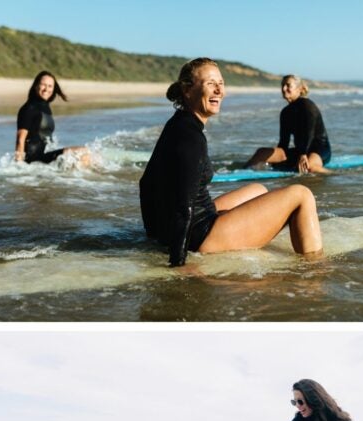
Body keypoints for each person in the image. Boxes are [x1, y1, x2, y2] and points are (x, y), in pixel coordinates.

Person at [139, 58, 324, 267]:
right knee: (302, 195)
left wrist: (154, 235)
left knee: (258, 189)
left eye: (221, 83)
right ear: (187, 90)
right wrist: (178, 262)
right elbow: (183, 207)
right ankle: (314, 271)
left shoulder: (178, 123)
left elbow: (145, 183)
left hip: (194, 224)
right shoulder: (191, 138)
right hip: (202, 236)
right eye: (210, 83)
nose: (219, 90)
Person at [245, 75, 331, 174]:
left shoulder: (308, 106)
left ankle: (335, 175)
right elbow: (283, 143)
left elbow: (309, 133)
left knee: (309, 168)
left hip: (319, 149)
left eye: (288, 85)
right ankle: (243, 171)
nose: (284, 88)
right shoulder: (285, 112)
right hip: (300, 151)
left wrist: (303, 155)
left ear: (299, 89)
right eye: (282, 85)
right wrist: (275, 160)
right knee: (261, 153)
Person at [15, 71, 90, 165]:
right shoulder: (29, 108)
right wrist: (19, 166)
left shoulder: (45, 106)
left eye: (50, 86)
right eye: (43, 85)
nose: (46, 89)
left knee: (89, 156)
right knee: (82, 152)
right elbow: (20, 139)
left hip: (43, 157)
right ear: (36, 86)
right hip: (34, 160)